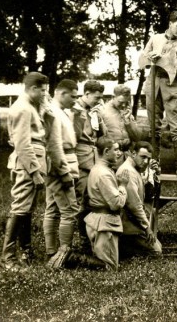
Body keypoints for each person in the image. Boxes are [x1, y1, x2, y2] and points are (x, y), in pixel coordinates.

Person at [1, 72, 49, 271]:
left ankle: (26, 251)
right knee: (20, 207)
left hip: (33, 160)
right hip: (28, 163)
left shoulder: (30, 106)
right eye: (43, 91)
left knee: (27, 208)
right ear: (33, 89)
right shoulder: (23, 109)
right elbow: (22, 143)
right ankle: (8, 257)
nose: (45, 94)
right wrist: (35, 171)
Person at [138, 11, 177, 180]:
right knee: (153, 125)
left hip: (172, 86)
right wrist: (150, 58)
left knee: (175, 126)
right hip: (153, 84)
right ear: (170, 23)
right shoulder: (155, 39)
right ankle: (154, 164)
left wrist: (164, 58)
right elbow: (142, 60)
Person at [43, 79, 81, 261]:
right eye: (73, 96)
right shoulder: (53, 113)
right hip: (60, 163)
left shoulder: (60, 112)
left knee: (52, 208)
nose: (75, 100)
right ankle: (63, 254)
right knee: (70, 211)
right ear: (61, 93)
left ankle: (52, 251)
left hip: (63, 160)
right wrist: (64, 171)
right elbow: (54, 146)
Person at [71, 80, 106, 253]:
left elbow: (101, 136)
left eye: (101, 98)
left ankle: (88, 239)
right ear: (86, 94)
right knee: (80, 202)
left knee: (90, 201)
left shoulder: (94, 111)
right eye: (96, 97)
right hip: (80, 160)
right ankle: (78, 242)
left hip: (93, 160)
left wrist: (99, 117)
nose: (99, 101)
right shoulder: (75, 109)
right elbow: (73, 138)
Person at [83, 137, 127, 270]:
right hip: (105, 225)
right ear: (107, 151)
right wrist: (123, 186)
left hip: (98, 221)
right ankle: (75, 260)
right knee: (109, 268)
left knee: (103, 265)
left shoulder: (98, 168)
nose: (119, 153)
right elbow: (116, 204)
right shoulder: (104, 174)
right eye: (116, 150)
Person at [116, 141, 162, 258]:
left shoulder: (135, 170)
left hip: (134, 223)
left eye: (148, 158)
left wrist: (154, 175)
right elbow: (134, 205)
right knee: (156, 252)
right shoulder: (128, 172)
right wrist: (147, 228)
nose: (146, 161)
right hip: (127, 224)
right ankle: (120, 248)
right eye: (143, 157)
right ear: (133, 153)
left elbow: (148, 196)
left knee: (158, 246)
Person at [99, 84, 144, 166]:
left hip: (128, 157)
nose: (123, 105)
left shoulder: (127, 112)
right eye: (121, 102)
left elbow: (137, 137)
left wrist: (128, 122)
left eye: (126, 102)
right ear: (113, 97)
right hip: (111, 158)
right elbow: (98, 138)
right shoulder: (102, 111)